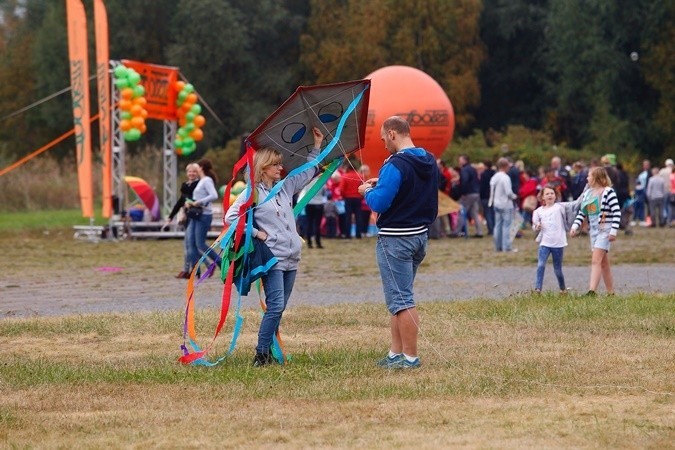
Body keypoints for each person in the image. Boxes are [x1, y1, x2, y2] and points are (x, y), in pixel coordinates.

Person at [225, 127, 324, 366]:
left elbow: (308, 173)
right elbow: (231, 218)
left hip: (292, 256)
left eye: (280, 164)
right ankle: (261, 354)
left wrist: (317, 147)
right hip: (273, 258)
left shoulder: (285, 187)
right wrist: (258, 233)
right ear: (263, 168)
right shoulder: (252, 192)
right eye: (276, 165)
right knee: (276, 305)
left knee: (278, 308)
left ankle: (267, 350)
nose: (281, 168)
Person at [358, 116, 438, 369]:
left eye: (383, 138)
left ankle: (411, 357)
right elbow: (410, 191)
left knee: (402, 300)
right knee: (398, 298)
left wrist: (368, 192)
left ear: (392, 134)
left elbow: (379, 203)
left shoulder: (395, 164)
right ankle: (395, 353)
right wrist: (380, 184)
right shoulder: (428, 159)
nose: (383, 144)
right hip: (419, 236)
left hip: (396, 239)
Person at [570, 167, 621, 296]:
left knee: (595, 260)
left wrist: (613, 231)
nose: (587, 178)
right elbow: (583, 212)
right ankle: (611, 293)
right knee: (604, 263)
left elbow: (616, 212)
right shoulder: (588, 193)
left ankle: (592, 291)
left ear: (597, 177)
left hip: (605, 230)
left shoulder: (609, 192)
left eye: (589, 176)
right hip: (593, 231)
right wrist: (575, 226)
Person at [165, 163, 200, 279]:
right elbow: (180, 202)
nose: (192, 174)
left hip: (195, 217)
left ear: (198, 173)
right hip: (187, 217)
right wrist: (171, 216)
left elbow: (195, 198)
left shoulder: (198, 185)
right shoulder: (185, 185)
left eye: (194, 171)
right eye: (190, 171)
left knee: (191, 245)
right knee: (188, 245)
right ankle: (190, 269)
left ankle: (192, 270)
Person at [185, 159, 220, 276]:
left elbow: (214, 195)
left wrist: (199, 202)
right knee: (193, 243)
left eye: (198, 167)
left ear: (201, 168)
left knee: (200, 243)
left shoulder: (206, 180)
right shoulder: (202, 181)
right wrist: (191, 202)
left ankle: (220, 262)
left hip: (204, 215)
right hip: (197, 214)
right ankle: (196, 270)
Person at [532, 186, 567, 294]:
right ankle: (538, 289)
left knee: (557, 269)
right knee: (541, 265)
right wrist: (537, 227)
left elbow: (569, 213)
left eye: (552, 193)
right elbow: (534, 226)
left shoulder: (559, 208)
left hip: (558, 243)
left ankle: (563, 289)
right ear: (542, 197)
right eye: (547, 194)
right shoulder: (538, 211)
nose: (550, 195)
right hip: (545, 243)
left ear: (555, 195)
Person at [489, 157, 518, 252]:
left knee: (497, 225)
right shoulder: (505, 178)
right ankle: (507, 246)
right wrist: (514, 196)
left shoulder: (494, 177)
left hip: (496, 203)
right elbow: (508, 192)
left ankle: (498, 246)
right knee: (507, 226)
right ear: (505, 166)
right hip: (506, 204)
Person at [455, 154, 483, 237]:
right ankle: (479, 232)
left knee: (462, 211)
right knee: (474, 213)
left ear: (464, 160)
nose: (459, 162)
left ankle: (457, 231)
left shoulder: (464, 170)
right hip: (476, 193)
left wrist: (463, 193)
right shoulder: (473, 169)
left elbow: (464, 181)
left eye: (460, 160)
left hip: (468, 193)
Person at [299, 174, 327, 248]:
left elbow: (304, 191)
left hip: (310, 203)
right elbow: (324, 192)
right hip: (319, 203)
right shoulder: (322, 181)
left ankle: (309, 243)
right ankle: (318, 242)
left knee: (309, 223)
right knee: (317, 224)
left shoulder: (308, 182)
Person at [339, 160, 363, 238]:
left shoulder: (345, 176)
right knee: (358, 217)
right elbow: (364, 187)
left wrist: (343, 196)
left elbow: (341, 189)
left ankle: (348, 234)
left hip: (348, 198)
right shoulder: (360, 176)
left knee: (348, 217)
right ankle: (358, 234)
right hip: (358, 198)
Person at [479, 160, 496, 235]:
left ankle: (491, 229)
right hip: (493, 196)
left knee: (487, 213)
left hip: (485, 196)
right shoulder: (494, 173)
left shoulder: (484, 174)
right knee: (492, 212)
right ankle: (494, 227)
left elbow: (482, 186)